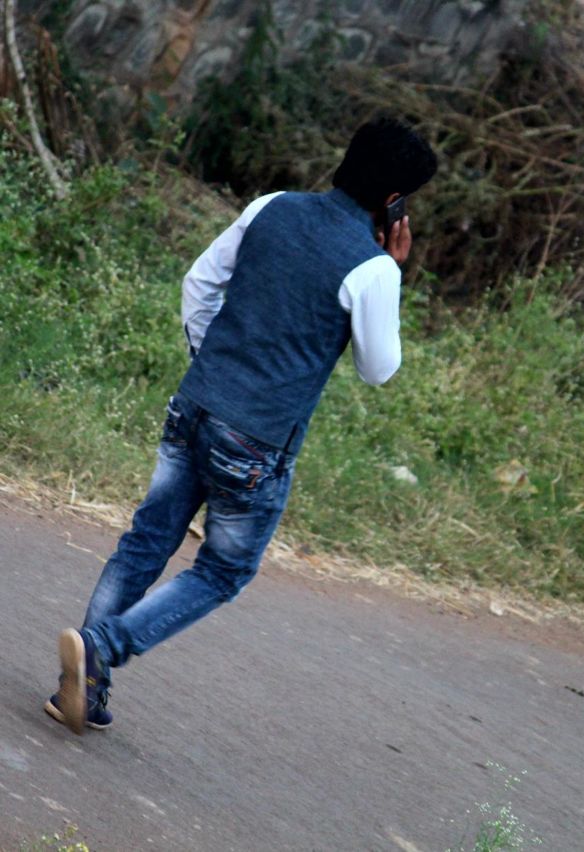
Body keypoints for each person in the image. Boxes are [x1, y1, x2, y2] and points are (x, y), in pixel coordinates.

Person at [45, 116, 437, 734]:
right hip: (255, 442)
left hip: (194, 403)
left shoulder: (269, 206)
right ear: (395, 200)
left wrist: (211, 367)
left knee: (146, 540)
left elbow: (198, 284)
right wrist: (394, 270)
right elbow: (378, 370)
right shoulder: (374, 269)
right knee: (223, 571)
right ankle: (101, 649)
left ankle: (82, 686)